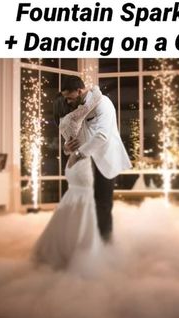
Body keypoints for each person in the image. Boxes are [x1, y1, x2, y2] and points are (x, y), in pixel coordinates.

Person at [32, 87, 103, 270]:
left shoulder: (63, 122)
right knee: (85, 201)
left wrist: (66, 149)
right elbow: (95, 98)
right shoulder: (73, 117)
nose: (72, 102)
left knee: (74, 202)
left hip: (72, 166)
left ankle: (66, 242)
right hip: (81, 165)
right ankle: (80, 247)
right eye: (69, 101)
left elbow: (68, 146)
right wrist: (90, 88)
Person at [61, 76, 132, 242]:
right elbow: (73, 135)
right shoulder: (79, 108)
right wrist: (67, 148)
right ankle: (87, 240)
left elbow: (102, 135)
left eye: (69, 97)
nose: (67, 101)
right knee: (85, 204)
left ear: (79, 91)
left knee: (103, 204)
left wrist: (78, 155)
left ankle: (105, 242)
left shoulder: (103, 103)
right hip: (86, 162)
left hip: (104, 159)